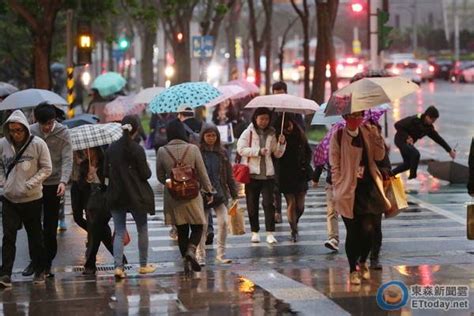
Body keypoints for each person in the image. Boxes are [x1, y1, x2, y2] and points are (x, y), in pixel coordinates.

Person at [329, 110, 391, 285]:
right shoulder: (339, 135)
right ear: (345, 117)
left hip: (369, 188)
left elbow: (379, 156)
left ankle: (363, 260)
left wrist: (377, 136)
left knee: (370, 231)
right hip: (348, 190)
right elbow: (335, 164)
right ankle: (352, 269)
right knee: (354, 232)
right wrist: (338, 187)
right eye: (353, 116)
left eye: (360, 115)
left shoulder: (368, 131)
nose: (357, 119)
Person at [0, 110, 52, 287]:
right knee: (8, 236)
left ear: (25, 129)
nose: (15, 134)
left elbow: (46, 168)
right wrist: (4, 182)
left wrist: (30, 184)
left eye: (18, 130)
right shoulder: (3, 145)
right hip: (9, 198)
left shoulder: (38, 144)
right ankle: (5, 273)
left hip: (32, 199)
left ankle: (39, 270)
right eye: (12, 130)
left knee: (35, 236)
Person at [156, 119, 214, 274]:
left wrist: (172, 183)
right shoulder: (193, 149)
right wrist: (208, 190)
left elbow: (160, 176)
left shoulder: (162, 151)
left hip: (173, 197)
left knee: (181, 230)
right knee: (198, 226)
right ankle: (191, 250)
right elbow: (202, 173)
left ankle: (186, 263)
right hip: (192, 194)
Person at [22, 103, 72, 278]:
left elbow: (67, 158)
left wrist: (63, 181)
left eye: (50, 123)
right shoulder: (30, 131)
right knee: (33, 224)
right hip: (35, 183)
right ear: (37, 121)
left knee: (50, 226)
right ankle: (35, 262)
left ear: (54, 120)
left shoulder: (63, 133)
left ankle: (47, 263)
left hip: (54, 184)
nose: (47, 127)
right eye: (43, 124)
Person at [105, 115, 156, 279]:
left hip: (116, 194)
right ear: (135, 129)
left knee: (119, 231)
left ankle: (118, 268)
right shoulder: (137, 149)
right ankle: (143, 265)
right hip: (136, 195)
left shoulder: (111, 148)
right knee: (142, 228)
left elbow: (105, 172)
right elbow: (146, 174)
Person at [237, 107, 286, 244]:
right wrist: (258, 151)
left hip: (268, 175)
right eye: (261, 118)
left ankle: (270, 233)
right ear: (255, 118)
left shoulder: (272, 132)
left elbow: (277, 153)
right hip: (252, 175)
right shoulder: (248, 132)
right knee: (252, 205)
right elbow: (240, 149)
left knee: (268, 204)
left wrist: (282, 144)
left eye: (266, 119)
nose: (264, 121)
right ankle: (255, 232)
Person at [196, 124, 238, 265]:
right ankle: (200, 255)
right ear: (203, 136)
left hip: (220, 193)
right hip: (203, 195)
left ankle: (221, 254)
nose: (211, 138)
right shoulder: (198, 152)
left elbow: (229, 175)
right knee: (203, 226)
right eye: (208, 135)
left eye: (213, 135)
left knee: (224, 222)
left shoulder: (222, 152)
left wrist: (234, 194)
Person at [392, 105, 456, 182]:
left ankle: (390, 174)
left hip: (409, 144)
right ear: (427, 116)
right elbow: (397, 125)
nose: (433, 122)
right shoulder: (414, 120)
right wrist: (407, 137)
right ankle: (412, 178)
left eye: (434, 120)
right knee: (415, 154)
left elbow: (438, 139)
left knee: (408, 164)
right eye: (432, 120)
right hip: (400, 139)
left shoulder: (429, 128)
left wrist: (449, 150)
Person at [276, 116, 312, 242]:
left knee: (300, 206)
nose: (288, 128)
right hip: (285, 174)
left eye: (289, 125)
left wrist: (306, 163)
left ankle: (295, 220)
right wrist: (280, 144)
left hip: (300, 172)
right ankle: (293, 230)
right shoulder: (278, 136)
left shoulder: (300, 134)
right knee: (291, 202)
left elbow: (308, 151)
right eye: (285, 127)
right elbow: (276, 155)